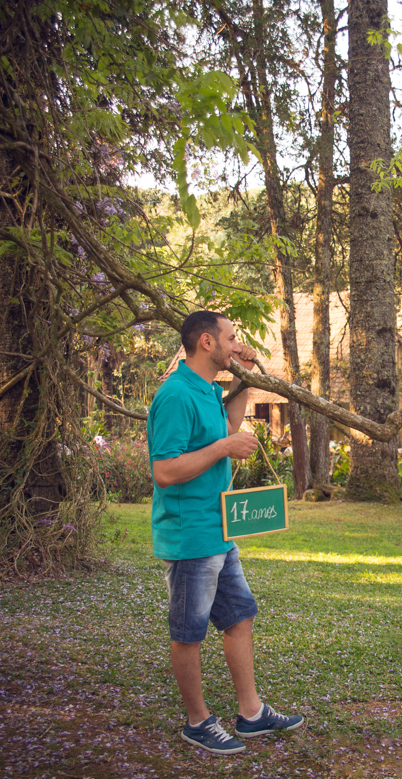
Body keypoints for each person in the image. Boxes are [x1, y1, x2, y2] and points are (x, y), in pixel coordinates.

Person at [148, 310, 304, 755]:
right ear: (206, 343)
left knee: (239, 616)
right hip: (190, 536)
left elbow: (228, 429)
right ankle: (197, 722)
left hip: (221, 530)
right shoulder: (176, 395)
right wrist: (222, 448)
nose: (237, 345)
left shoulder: (205, 389)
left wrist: (246, 381)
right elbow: (164, 471)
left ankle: (251, 714)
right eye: (231, 338)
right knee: (189, 631)